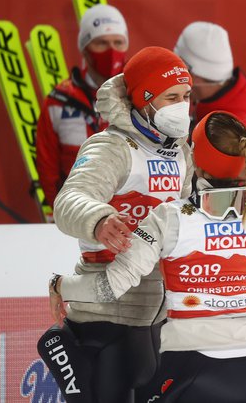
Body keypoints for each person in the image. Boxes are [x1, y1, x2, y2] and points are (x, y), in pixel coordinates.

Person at [49, 111, 246, 403]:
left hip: (191, 367)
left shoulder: (168, 217)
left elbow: (109, 287)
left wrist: (59, 284)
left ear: (195, 159)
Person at [37, 46, 195, 403]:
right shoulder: (111, 146)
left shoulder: (182, 153)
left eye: (186, 96)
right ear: (145, 99)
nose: (182, 107)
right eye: (171, 97)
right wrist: (99, 219)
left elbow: (190, 217)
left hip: (158, 317)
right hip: (104, 318)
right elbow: (69, 200)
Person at [36, 4, 130, 207]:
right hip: (76, 211)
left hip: (129, 213)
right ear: (85, 48)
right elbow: (47, 165)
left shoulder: (140, 95)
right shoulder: (58, 100)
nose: (111, 51)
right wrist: (59, 210)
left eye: (118, 42)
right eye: (101, 43)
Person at [174, 21, 246, 176]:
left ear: (192, 73)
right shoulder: (207, 111)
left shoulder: (231, 126)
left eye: (178, 68)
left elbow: (237, 196)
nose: (175, 76)